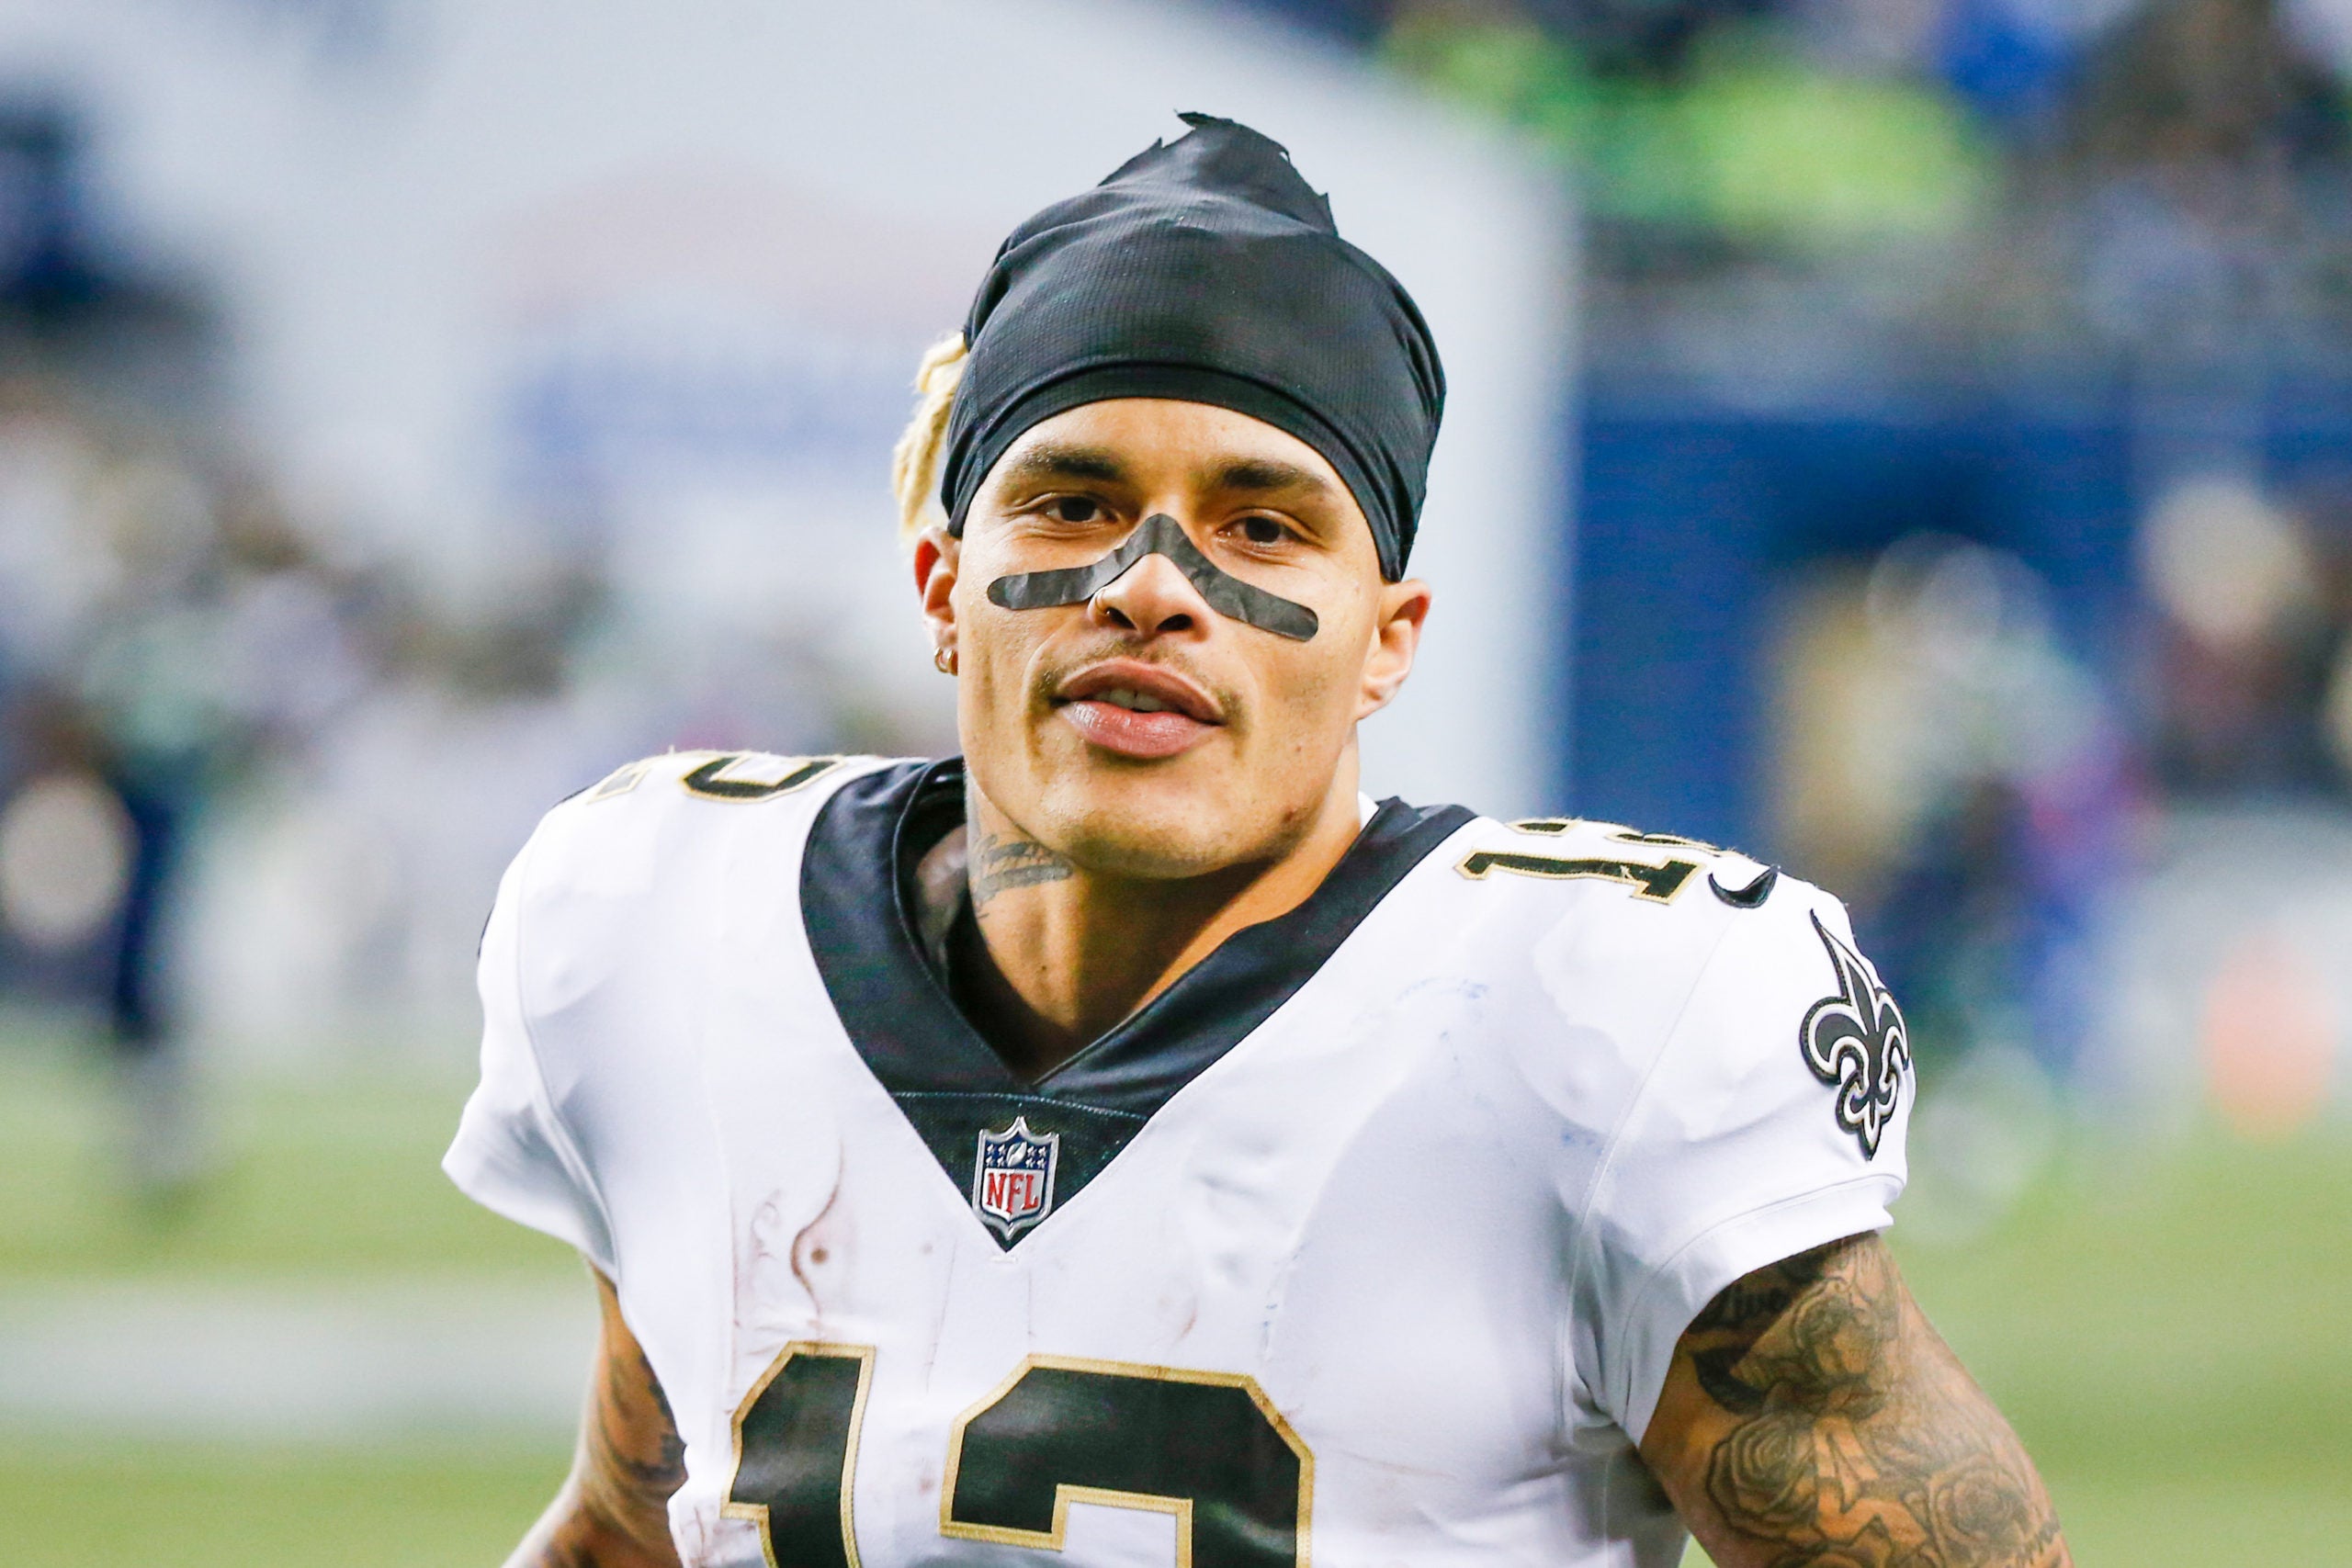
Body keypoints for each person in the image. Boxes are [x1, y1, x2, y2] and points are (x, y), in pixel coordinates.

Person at [446, 115, 2069, 1568]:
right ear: (944, 584)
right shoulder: (667, 922)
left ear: (1388, 638)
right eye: (1070, 502)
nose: (1150, 583)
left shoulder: (1600, 1016)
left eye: (1262, 523)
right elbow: (628, 1523)